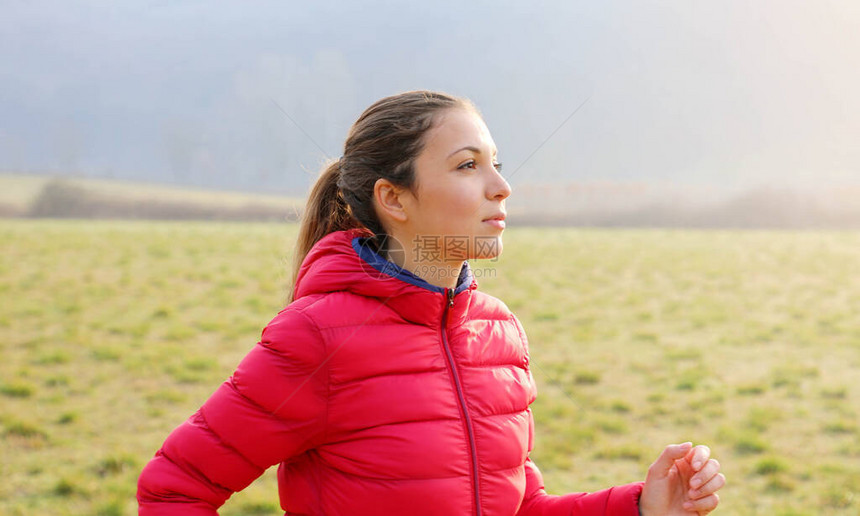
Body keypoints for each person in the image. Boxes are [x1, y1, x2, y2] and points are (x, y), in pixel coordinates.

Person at [137, 90, 725, 515]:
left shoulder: (499, 333)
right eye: (468, 165)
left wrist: (641, 508)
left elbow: (517, 507)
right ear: (394, 198)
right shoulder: (317, 336)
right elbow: (174, 489)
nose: (501, 185)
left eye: (496, 162)